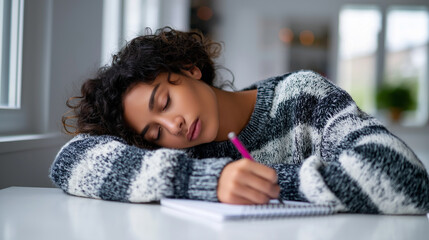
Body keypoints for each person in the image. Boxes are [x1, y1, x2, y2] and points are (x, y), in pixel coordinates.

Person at [50, 27, 429, 214]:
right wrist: (208, 181)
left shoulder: (301, 98)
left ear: (190, 68)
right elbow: (70, 160)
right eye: (154, 132)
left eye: (164, 102)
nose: (173, 127)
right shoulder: (187, 157)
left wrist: (263, 184)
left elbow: (404, 178)